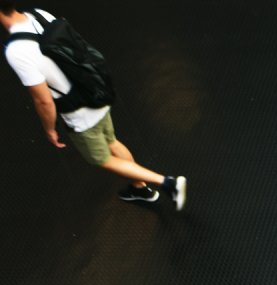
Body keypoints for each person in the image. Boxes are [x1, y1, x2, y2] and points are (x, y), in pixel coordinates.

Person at [2, 5, 186, 208]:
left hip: (79, 112)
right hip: (94, 92)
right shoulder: (40, 14)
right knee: (111, 141)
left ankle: (168, 183)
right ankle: (140, 188)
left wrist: (50, 129)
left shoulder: (16, 50)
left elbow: (43, 99)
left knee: (100, 159)